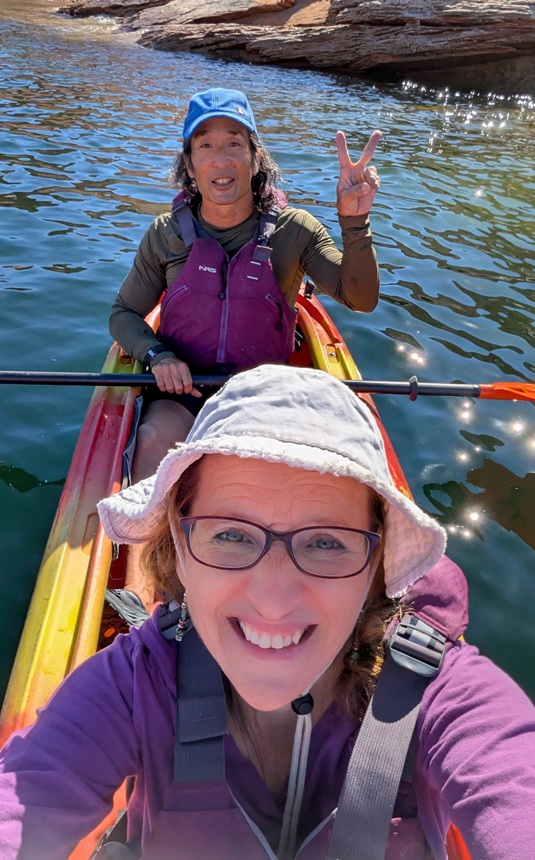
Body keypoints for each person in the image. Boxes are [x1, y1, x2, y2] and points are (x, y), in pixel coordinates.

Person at [1, 364, 535, 860]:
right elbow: (26, 798)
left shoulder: (447, 695)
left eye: (327, 543)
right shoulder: (133, 684)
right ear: (178, 546)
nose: (272, 598)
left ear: (377, 567)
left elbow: (521, 795)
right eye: (231, 536)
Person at [107, 87, 382, 618]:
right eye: (205, 146)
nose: (221, 158)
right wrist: (157, 354)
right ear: (189, 164)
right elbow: (123, 314)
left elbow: (359, 297)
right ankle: (141, 597)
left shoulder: (296, 232)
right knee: (157, 435)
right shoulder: (165, 237)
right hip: (183, 393)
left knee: (261, 483)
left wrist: (354, 220)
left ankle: (272, 585)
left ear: (255, 156)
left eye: (234, 142)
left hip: (264, 400)